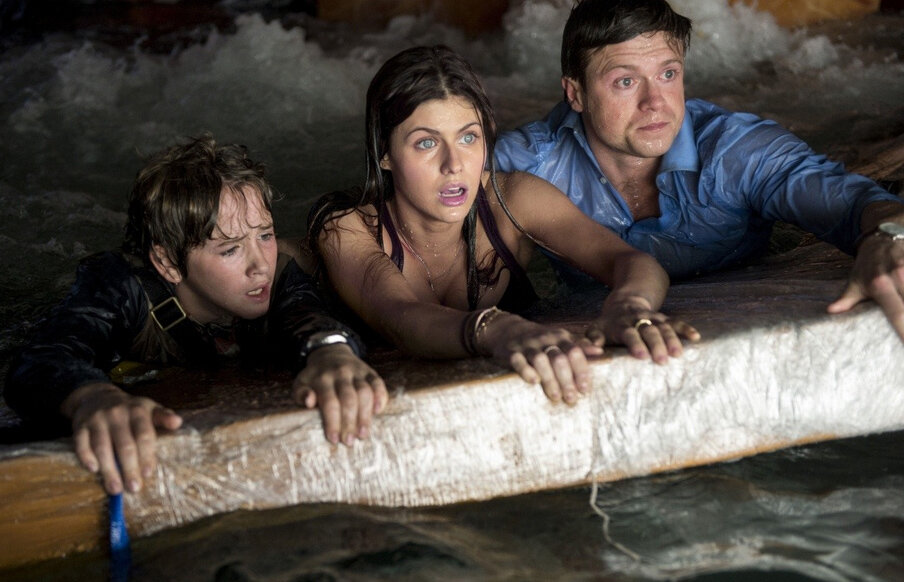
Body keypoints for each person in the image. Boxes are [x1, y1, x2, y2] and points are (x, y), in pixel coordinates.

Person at [305, 45, 699, 410]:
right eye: (426, 143)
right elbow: (399, 317)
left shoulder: (511, 201)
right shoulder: (347, 227)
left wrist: (630, 305)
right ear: (384, 153)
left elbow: (630, 261)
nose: (454, 164)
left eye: (468, 138)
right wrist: (499, 328)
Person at [494, 0, 904, 341]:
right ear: (576, 93)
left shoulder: (735, 152)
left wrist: (891, 236)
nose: (655, 102)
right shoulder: (527, 164)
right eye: (625, 82)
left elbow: (856, 202)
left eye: (668, 74)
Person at [4, 135, 388, 495]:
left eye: (265, 235)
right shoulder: (120, 288)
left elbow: (309, 318)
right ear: (168, 263)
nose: (260, 266)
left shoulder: (279, 275)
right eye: (230, 249)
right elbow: (42, 359)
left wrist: (331, 353)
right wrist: (92, 398)